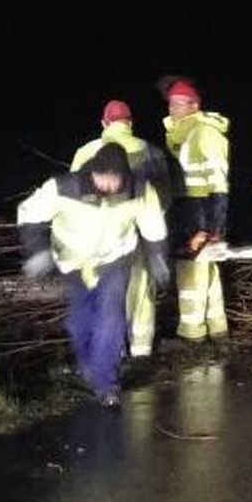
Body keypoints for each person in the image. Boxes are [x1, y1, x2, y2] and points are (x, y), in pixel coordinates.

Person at [17, 143, 170, 406]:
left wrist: (157, 257)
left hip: (114, 258)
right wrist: (38, 251)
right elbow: (28, 214)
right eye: (102, 178)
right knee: (81, 321)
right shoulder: (64, 187)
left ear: (124, 175)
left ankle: (106, 383)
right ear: (93, 173)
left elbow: (153, 226)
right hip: (73, 262)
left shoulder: (140, 191)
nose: (108, 185)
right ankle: (88, 367)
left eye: (114, 179)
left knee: (112, 316)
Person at [69, 99, 173, 358]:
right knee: (140, 290)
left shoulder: (85, 152)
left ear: (104, 123)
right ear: (130, 123)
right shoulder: (150, 151)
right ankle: (141, 350)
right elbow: (163, 197)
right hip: (139, 233)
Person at [160, 76, 231, 343]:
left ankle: (191, 336)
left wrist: (212, 229)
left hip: (199, 218)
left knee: (191, 278)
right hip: (189, 215)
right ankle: (218, 331)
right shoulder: (184, 135)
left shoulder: (204, 133)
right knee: (207, 275)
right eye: (170, 104)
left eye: (179, 104)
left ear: (194, 105)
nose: (172, 109)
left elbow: (218, 182)